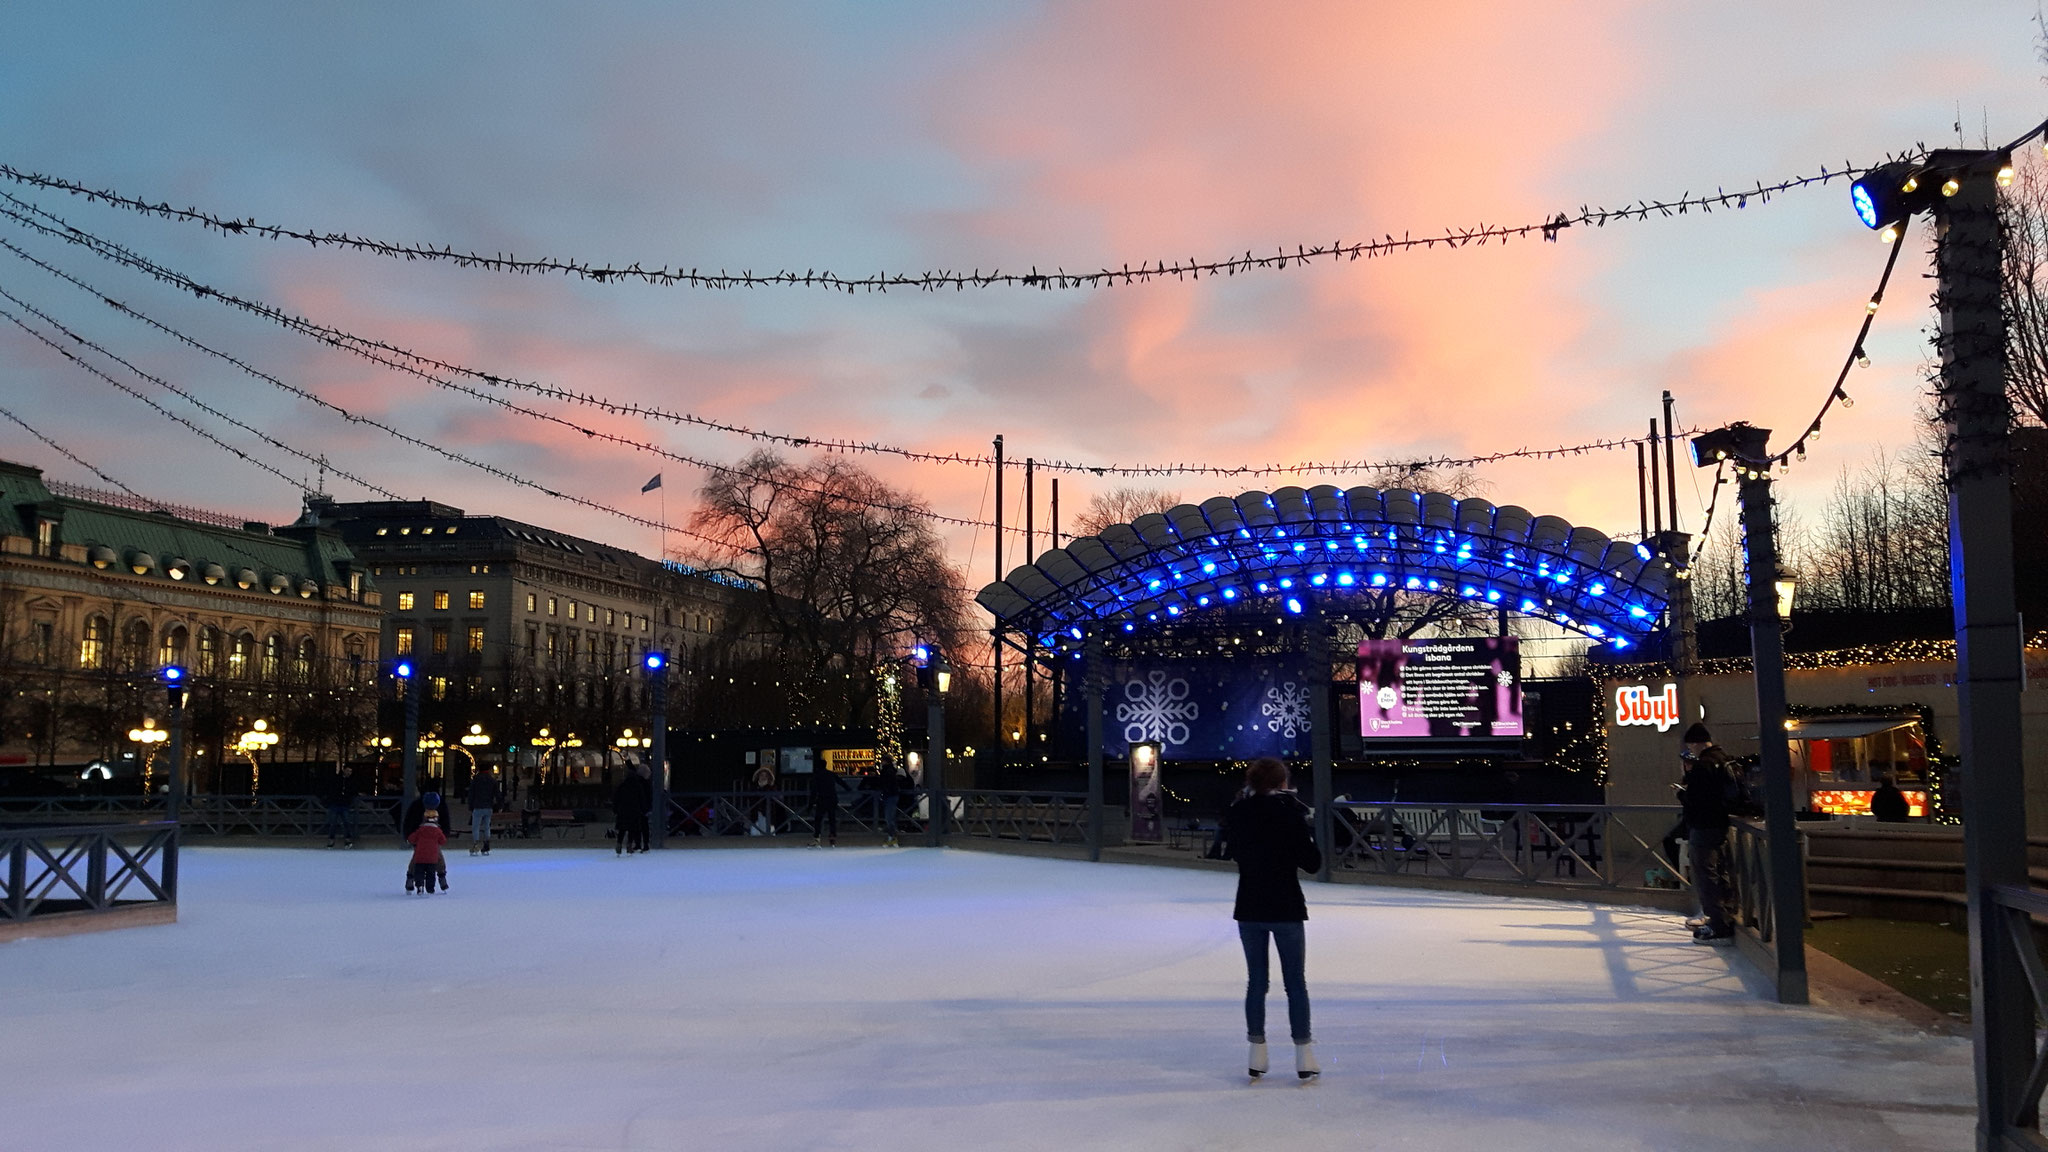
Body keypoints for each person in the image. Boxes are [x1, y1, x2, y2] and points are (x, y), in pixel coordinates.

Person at [1223, 756, 1322, 1081]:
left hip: (1250, 906)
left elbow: (1232, 851)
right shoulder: (1290, 813)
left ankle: (1257, 1052)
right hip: (1286, 906)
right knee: (1295, 983)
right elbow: (1312, 863)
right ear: (1282, 782)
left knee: (1256, 982)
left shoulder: (1238, 812)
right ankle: (1304, 1055)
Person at [1677, 723, 1737, 944]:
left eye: (1691, 746)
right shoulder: (1724, 758)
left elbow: (1696, 799)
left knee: (1705, 873)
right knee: (1720, 870)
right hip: (1720, 824)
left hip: (1704, 825)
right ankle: (1727, 912)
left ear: (1695, 743)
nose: (1690, 751)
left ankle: (1717, 923)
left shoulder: (1704, 765)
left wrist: (1681, 795)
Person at [405, 807, 448, 894]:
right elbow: (443, 841)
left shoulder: (420, 830)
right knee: (431, 874)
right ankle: (431, 887)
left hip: (420, 857)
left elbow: (412, 839)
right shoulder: (437, 831)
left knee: (419, 872)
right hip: (432, 857)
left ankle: (418, 885)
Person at [612, 764, 650, 855]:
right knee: (632, 829)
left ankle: (619, 843)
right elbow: (641, 798)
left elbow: (616, 798)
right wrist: (644, 809)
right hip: (634, 810)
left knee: (622, 829)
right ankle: (629, 845)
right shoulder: (638, 786)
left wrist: (615, 809)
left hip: (623, 810)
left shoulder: (622, 786)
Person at [321, 765, 359, 849]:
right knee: (333, 823)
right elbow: (330, 789)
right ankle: (331, 840)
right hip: (335, 803)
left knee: (346, 823)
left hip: (344, 804)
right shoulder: (336, 779)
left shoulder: (351, 781)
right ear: (344, 770)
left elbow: (353, 791)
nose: (349, 773)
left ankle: (347, 840)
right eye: (348, 771)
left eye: (350, 771)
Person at [466, 767, 500, 856]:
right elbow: (497, 794)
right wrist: (499, 805)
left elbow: (471, 794)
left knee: (476, 827)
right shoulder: (492, 780)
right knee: (487, 826)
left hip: (477, 806)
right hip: (488, 806)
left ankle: (476, 844)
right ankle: (486, 845)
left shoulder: (475, 780)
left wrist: (470, 806)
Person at [808, 766, 839, 847]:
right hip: (832, 799)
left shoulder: (817, 776)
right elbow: (840, 782)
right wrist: (849, 789)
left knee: (818, 820)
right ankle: (832, 839)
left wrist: (810, 804)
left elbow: (814, 791)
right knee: (832, 819)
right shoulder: (831, 774)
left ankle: (817, 839)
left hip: (822, 800)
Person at [878, 757, 904, 847]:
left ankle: (892, 837)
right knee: (890, 817)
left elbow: (886, 783)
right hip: (891, 795)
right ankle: (892, 836)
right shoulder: (891, 770)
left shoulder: (887, 771)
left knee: (889, 817)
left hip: (889, 795)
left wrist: (884, 791)